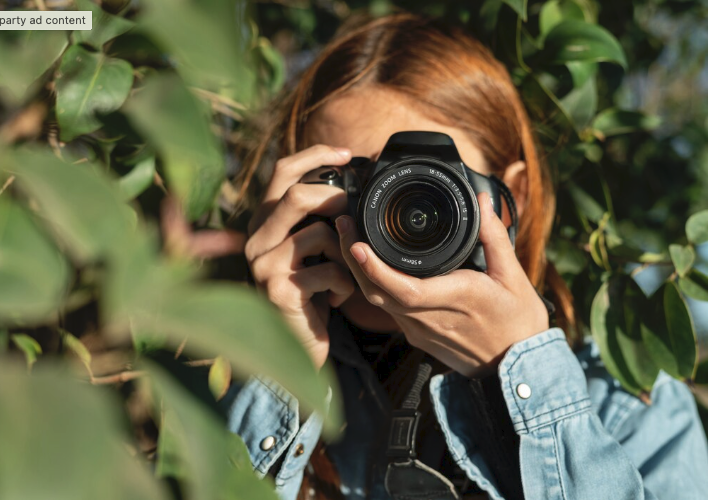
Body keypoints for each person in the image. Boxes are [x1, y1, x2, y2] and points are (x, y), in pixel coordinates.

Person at [224, 12, 708, 500]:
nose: (385, 218)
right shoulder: (224, 362)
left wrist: (518, 386)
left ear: (509, 197)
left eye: (429, 183)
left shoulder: (627, 399)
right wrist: (280, 370)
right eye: (361, 185)